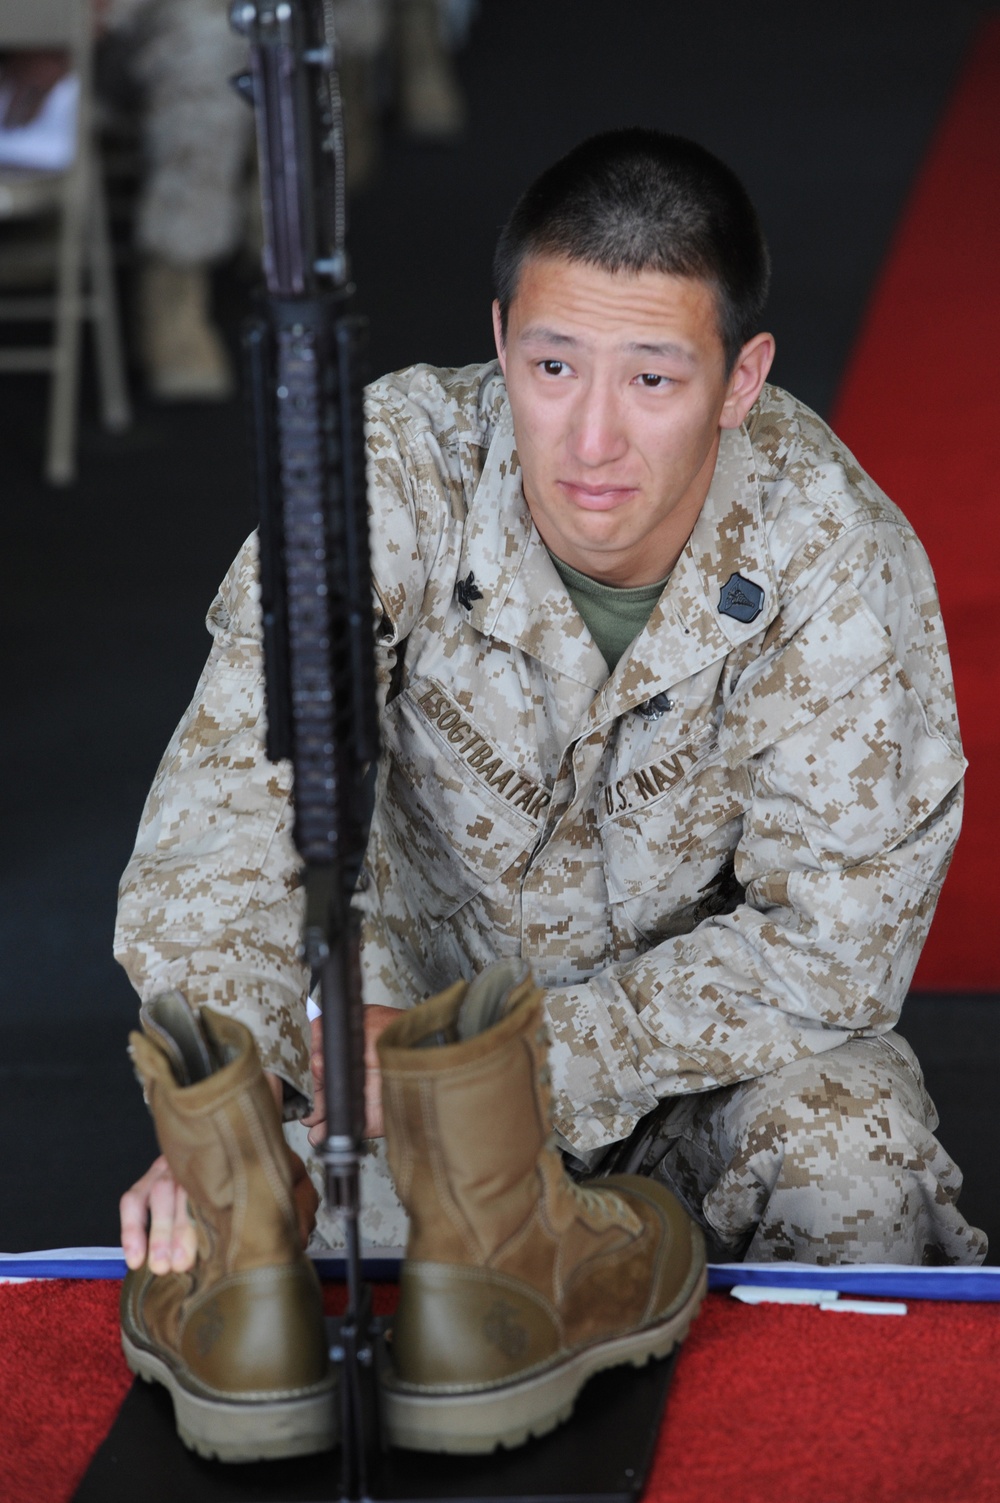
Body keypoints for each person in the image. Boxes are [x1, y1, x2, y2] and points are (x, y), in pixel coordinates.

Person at [117, 128, 987, 1275]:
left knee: (855, 1170)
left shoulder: (832, 550)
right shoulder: (386, 474)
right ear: (498, 341)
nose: (590, 439)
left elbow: (833, 951)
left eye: (654, 380)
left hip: (691, 1081)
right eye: (552, 365)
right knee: (229, 1243)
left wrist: (512, 1062)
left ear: (741, 381)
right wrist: (228, 1107)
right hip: (393, 1083)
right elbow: (224, 820)